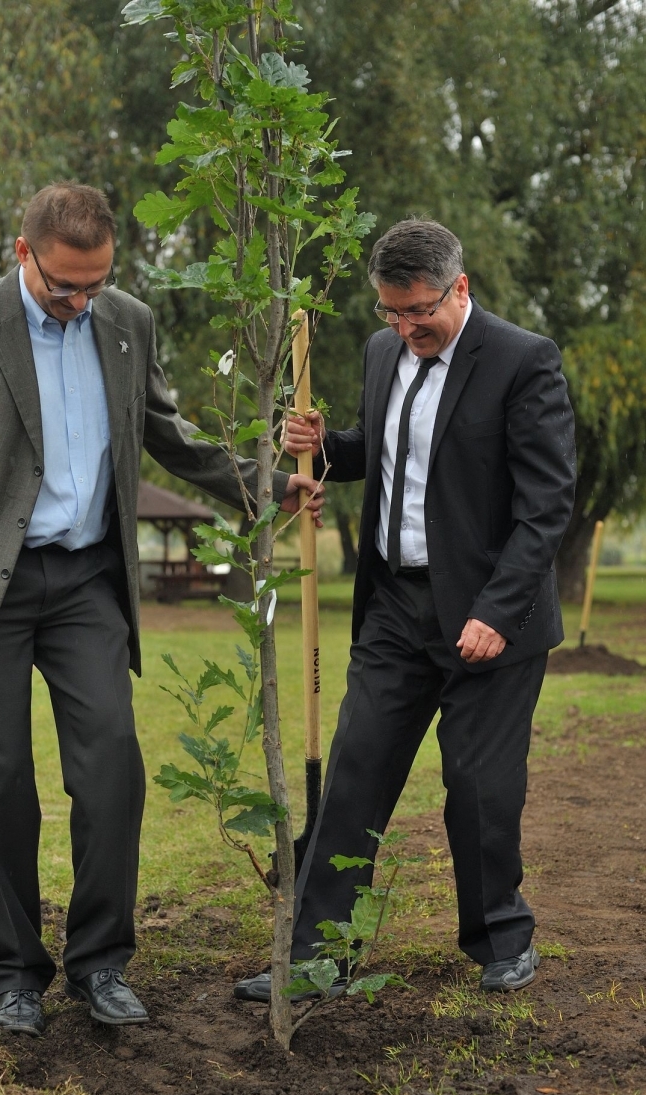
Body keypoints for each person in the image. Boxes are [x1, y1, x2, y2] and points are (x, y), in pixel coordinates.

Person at [0, 181, 322, 1037]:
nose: (81, 302)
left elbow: (170, 434)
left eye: (97, 283)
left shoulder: (126, 321)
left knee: (112, 765)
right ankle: (15, 972)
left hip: (84, 583)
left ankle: (102, 961)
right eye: (64, 286)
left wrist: (267, 485)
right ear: (22, 253)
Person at [235, 218, 575, 1003]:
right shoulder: (381, 351)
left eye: (419, 310)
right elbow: (385, 452)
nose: (405, 327)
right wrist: (320, 447)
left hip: (491, 614)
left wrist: (497, 608)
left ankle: (501, 937)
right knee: (355, 771)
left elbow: (545, 506)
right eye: (391, 311)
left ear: (459, 287)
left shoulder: (525, 362)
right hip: (395, 603)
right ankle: (321, 954)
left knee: (480, 783)